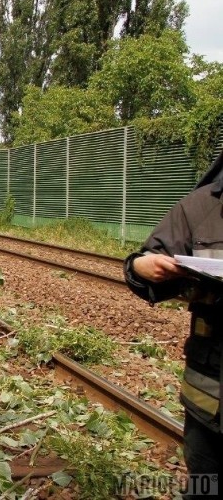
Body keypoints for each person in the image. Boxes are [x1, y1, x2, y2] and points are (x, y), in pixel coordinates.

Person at [124, 152, 223, 495]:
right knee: (205, 487)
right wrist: (140, 267)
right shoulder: (199, 207)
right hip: (212, 399)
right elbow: (144, 263)